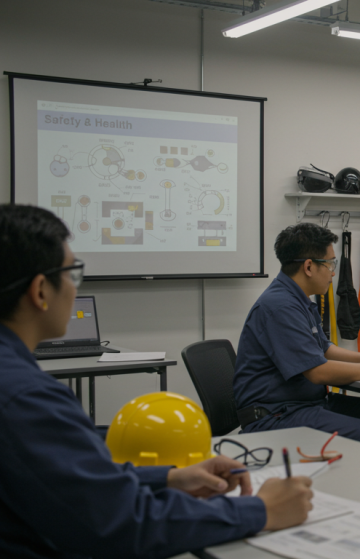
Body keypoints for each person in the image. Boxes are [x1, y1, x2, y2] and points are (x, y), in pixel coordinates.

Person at [0, 204, 313, 558]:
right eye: (72, 274)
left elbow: (67, 478)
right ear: (41, 290)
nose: (75, 289)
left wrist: (168, 477)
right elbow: (122, 523)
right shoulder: (25, 396)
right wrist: (261, 510)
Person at [233, 223, 360, 451]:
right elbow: (318, 371)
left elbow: (325, 349)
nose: (333, 272)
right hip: (275, 415)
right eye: (330, 264)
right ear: (309, 267)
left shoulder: (298, 299)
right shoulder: (279, 307)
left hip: (303, 404)